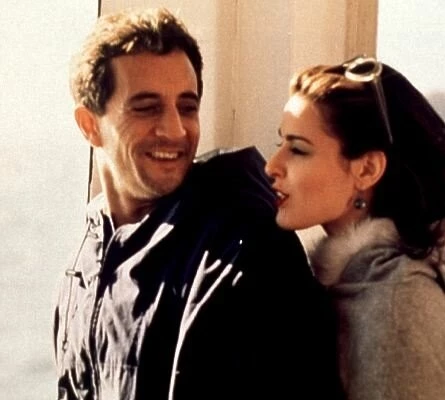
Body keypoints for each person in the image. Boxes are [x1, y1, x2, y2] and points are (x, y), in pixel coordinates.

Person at [53, 7, 344, 400]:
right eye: (147, 108)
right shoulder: (87, 263)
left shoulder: (246, 255)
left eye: (187, 107)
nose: (175, 130)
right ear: (90, 125)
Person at [265, 54, 445, 399]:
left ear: (366, 170)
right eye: (280, 144)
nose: (272, 166)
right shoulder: (358, 280)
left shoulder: (395, 303)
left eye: (298, 150)